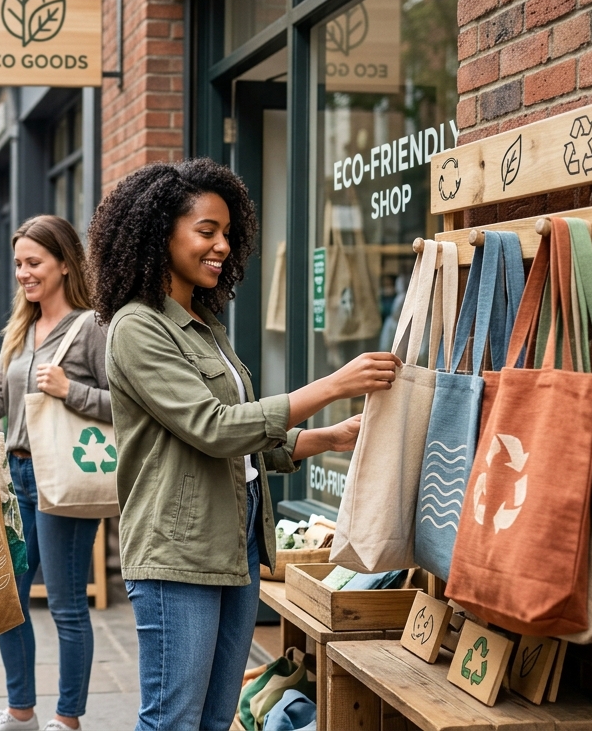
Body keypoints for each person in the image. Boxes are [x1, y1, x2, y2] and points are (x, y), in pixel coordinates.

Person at [85, 159, 399, 729]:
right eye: (207, 231)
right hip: (178, 553)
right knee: (173, 721)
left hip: (237, 540)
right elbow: (215, 427)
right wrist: (333, 385)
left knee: (215, 719)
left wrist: (331, 436)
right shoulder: (138, 327)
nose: (222, 246)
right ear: (162, 233)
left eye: (227, 233)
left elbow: (242, 447)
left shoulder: (203, 323)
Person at [0, 216, 110, 731]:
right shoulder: (21, 330)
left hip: (64, 477)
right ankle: (20, 710)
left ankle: (67, 719)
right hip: (17, 477)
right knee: (9, 600)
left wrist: (70, 390)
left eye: (34, 263)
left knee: (68, 606)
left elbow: (132, 406)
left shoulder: (92, 326)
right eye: (19, 265)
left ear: (65, 263)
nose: (24, 274)